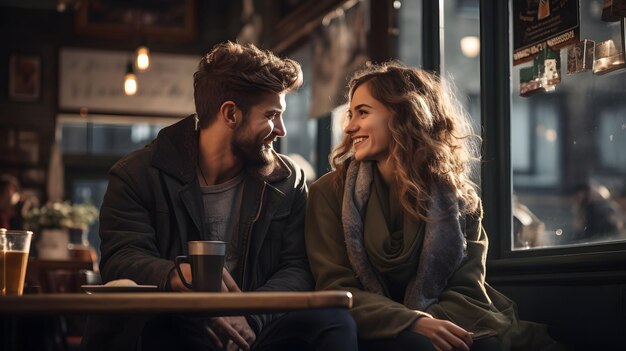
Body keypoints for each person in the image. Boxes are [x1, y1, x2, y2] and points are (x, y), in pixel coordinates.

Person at [82, 42, 357, 351]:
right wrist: (177, 276)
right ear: (230, 114)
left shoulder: (287, 179)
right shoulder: (137, 174)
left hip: (256, 325)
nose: (281, 130)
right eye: (271, 115)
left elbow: (296, 268)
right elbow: (121, 260)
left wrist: (249, 317)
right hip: (177, 321)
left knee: (334, 321)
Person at [305, 62, 563, 350]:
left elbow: (467, 285)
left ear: (403, 115)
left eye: (362, 113)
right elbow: (336, 287)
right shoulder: (328, 193)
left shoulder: (458, 197)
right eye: (351, 114)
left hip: (451, 315)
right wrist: (410, 321)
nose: (350, 126)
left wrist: (430, 322)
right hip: (368, 327)